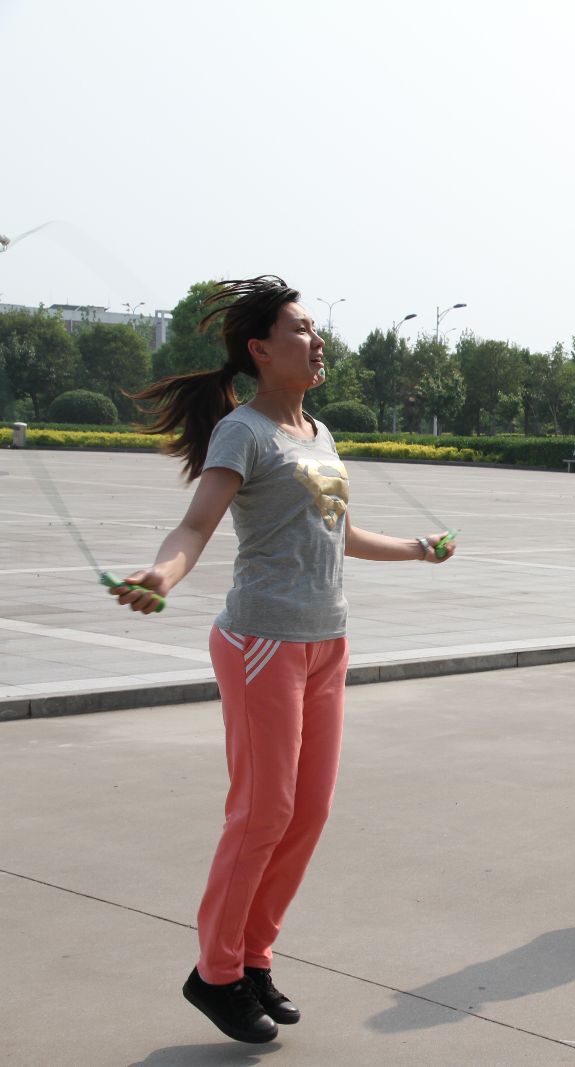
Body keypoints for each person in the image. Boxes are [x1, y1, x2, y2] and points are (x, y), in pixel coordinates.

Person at [113, 277, 456, 1044]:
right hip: (261, 642)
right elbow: (196, 526)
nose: (317, 339)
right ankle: (215, 972)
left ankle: (253, 956)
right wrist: (162, 574)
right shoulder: (243, 431)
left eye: (315, 328)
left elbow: (340, 531)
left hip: (326, 641)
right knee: (262, 811)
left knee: (307, 811)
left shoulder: (318, 432)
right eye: (301, 328)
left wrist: (416, 548)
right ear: (261, 350)